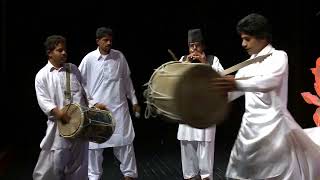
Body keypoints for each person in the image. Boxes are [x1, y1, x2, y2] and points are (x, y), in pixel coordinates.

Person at [213, 13, 320, 179]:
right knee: (241, 173)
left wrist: (236, 83)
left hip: (274, 130)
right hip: (249, 130)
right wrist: (209, 93)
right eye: (242, 39)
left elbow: (269, 82)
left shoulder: (279, 57)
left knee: (278, 174)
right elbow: (232, 93)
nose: (243, 44)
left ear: (262, 37)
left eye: (247, 39)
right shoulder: (247, 65)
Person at [33, 35, 99, 179]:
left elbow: (84, 92)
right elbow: (43, 100)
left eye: (65, 50)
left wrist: (94, 105)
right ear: (50, 53)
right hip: (58, 129)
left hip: (79, 126)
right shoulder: (42, 75)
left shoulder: (73, 69)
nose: (64, 53)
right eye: (59, 50)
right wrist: (58, 112)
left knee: (79, 166)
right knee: (55, 166)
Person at [79, 27, 140, 180]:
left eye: (110, 40)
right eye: (105, 40)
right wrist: (92, 103)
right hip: (97, 112)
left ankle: (129, 175)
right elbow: (79, 83)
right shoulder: (89, 59)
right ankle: (93, 177)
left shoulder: (119, 56)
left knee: (125, 144)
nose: (108, 43)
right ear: (97, 41)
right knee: (94, 148)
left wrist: (134, 100)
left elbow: (126, 80)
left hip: (119, 109)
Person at [177, 28, 224, 180]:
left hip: (206, 115)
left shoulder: (212, 60)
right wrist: (185, 66)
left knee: (205, 159)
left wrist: (205, 64)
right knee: (188, 154)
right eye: (191, 45)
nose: (194, 49)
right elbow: (174, 82)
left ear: (203, 46)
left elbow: (222, 81)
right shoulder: (183, 60)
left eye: (197, 45)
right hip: (187, 115)